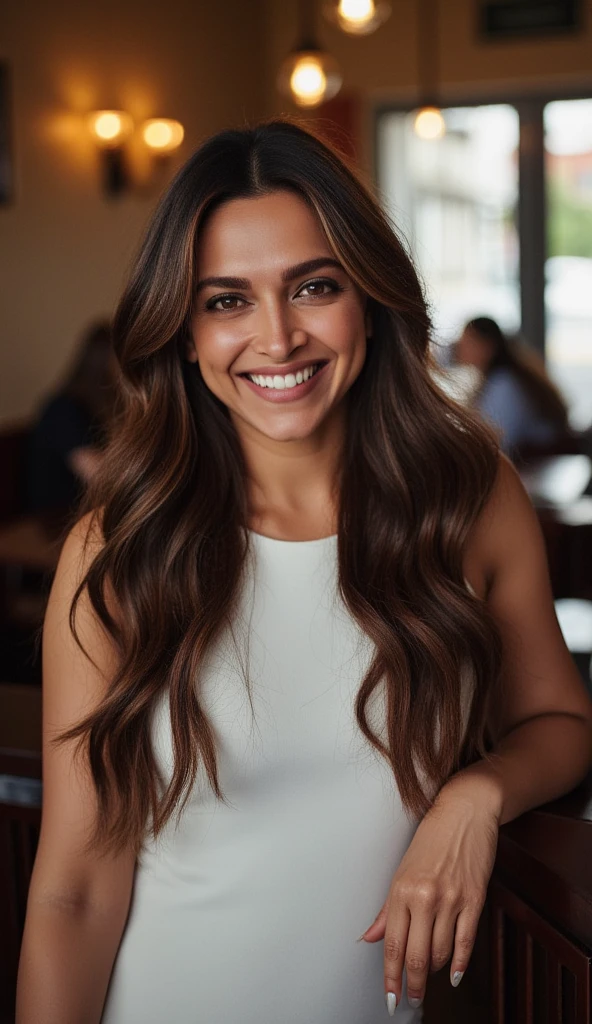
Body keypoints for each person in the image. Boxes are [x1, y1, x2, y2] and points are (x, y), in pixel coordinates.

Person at [16, 121, 592, 1023]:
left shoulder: (470, 499)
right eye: (226, 300)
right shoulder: (121, 550)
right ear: (184, 328)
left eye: (314, 287)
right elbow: (74, 893)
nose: (277, 338)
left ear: (369, 296)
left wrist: (475, 797)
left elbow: (559, 720)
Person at [26, 320, 115, 521]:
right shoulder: (63, 409)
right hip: (54, 521)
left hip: (89, 513)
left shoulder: (101, 407)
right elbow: (99, 477)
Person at [453, 316, 571, 461]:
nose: (459, 348)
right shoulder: (501, 378)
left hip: (542, 467)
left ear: (487, 346)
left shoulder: (504, 385)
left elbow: (497, 442)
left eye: (468, 343)